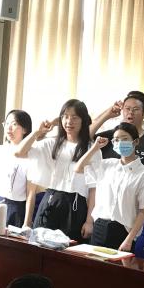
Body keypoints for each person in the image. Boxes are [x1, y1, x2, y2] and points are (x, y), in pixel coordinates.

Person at [16, 99, 99, 242]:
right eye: (65, 116)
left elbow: (94, 189)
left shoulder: (92, 148)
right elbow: (19, 153)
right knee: (39, 245)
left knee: (69, 249)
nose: (69, 121)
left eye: (74, 117)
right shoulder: (52, 143)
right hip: (51, 199)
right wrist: (37, 132)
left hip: (75, 204)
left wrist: (89, 221)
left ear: (83, 120)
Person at [76, 123, 144, 251]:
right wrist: (95, 148)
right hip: (99, 226)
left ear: (136, 141)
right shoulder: (107, 165)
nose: (120, 143)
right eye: (116, 140)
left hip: (123, 231)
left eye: (124, 139)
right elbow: (79, 168)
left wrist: (129, 239)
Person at [91, 91, 144, 189]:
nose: (131, 112)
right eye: (127, 108)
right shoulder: (110, 136)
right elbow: (84, 138)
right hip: (108, 192)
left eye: (136, 109)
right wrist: (107, 115)